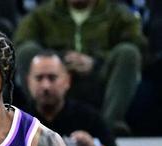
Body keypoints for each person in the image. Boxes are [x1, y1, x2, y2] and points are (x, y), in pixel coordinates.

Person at [13, 0, 146, 134]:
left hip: (101, 79)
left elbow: (139, 45)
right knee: (26, 52)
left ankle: (110, 123)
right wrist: (58, 60)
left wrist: (95, 62)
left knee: (128, 52)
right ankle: (36, 119)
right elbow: (20, 41)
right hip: (56, 77)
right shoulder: (42, 14)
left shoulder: (118, 14)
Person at [25, 51, 124, 146]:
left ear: (67, 81)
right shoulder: (15, 121)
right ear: (29, 82)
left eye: (52, 78)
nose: (46, 86)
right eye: (39, 78)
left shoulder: (87, 117)